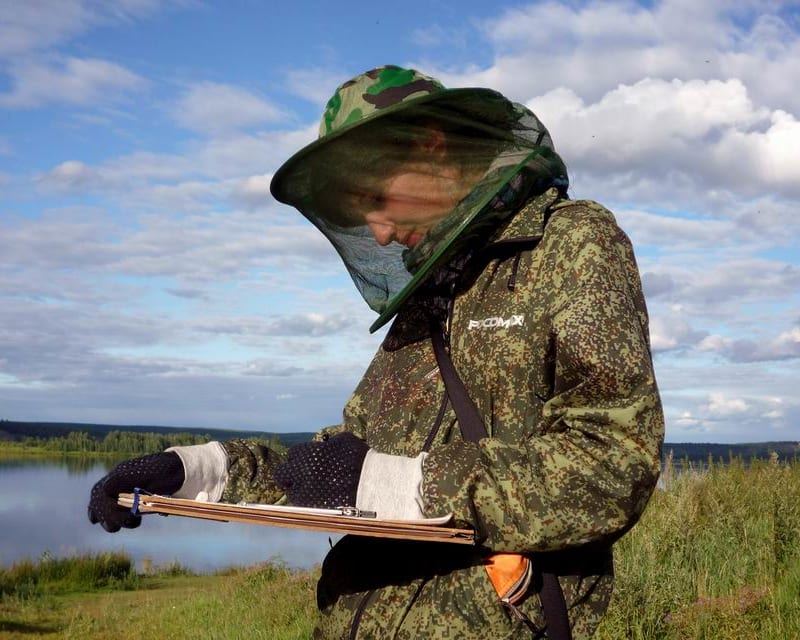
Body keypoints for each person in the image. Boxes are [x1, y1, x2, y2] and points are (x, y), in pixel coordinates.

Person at [88, 65, 664, 639]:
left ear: (432, 146)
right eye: (359, 213)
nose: (380, 233)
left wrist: (389, 486)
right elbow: (339, 463)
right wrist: (192, 472)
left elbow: (613, 463)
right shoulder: (427, 294)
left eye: (376, 198)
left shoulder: (569, 244)